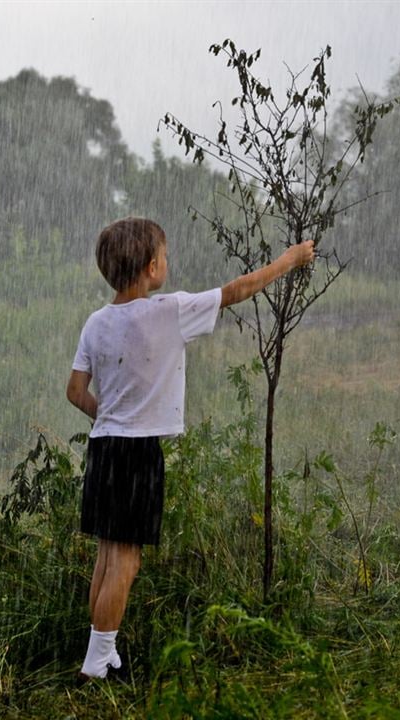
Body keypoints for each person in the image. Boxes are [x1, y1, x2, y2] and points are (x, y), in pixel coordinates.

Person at [66, 216, 314, 679]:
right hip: (138, 453)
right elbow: (238, 290)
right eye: (164, 255)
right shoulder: (169, 310)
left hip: (103, 450)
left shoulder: (96, 322)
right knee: (126, 559)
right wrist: (289, 260)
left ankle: (103, 652)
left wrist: (111, 417)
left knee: (107, 554)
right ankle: (97, 665)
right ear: (152, 267)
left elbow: (75, 391)